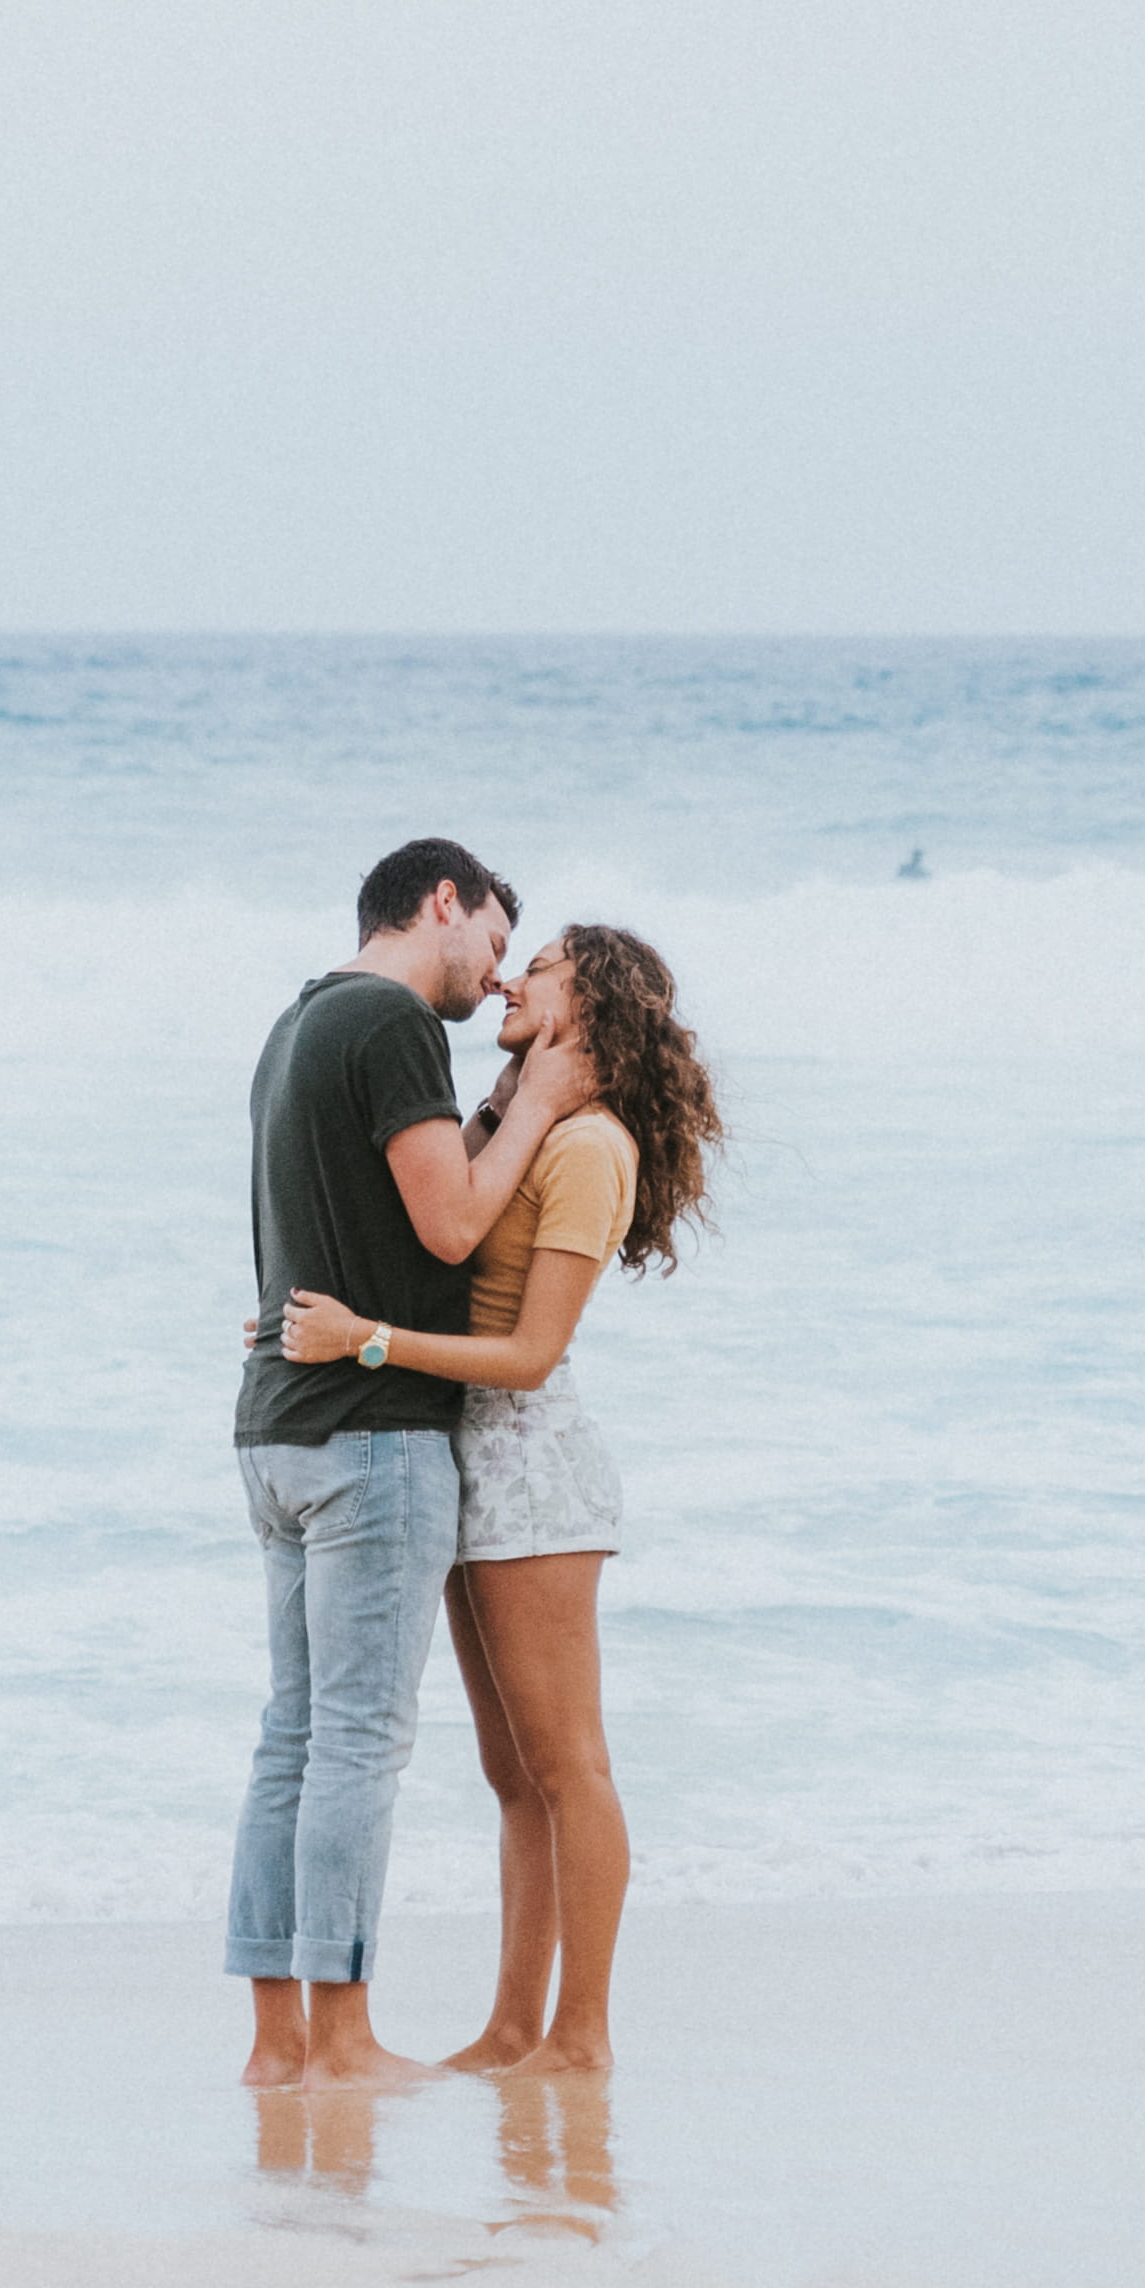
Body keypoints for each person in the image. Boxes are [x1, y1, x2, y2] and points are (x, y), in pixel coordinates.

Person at [272, 923, 722, 2075]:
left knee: (571, 1766)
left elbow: (527, 1354)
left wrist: (366, 1342)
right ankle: (514, 2026)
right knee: (513, 1777)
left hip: (531, 1466)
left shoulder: (590, 1149)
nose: (513, 979)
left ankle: (583, 2035)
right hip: (471, 1461)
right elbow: (444, 1235)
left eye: (547, 968)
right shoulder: (533, 1127)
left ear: (588, 1005)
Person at [226, 841, 592, 2090]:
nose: (497, 980)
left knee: (293, 1736)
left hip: (275, 1426)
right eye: (495, 940)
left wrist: (496, 1110)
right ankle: (343, 2039)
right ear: (444, 901)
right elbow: (447, 1223)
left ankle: (278, 2045)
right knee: (360, 1743)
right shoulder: (391, 1024)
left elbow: (352, 1224)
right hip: (372, 1434)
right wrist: (538, 1105)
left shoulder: (299, 1025)